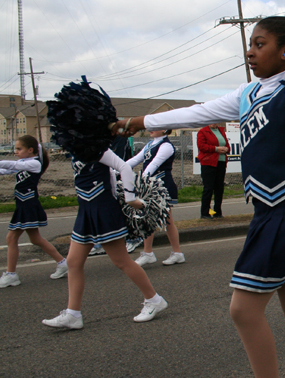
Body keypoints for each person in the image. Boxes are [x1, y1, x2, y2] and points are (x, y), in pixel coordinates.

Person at [117, 17, 285, 378]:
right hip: (273, 207)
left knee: (243, 309)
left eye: (260, 43)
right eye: (249, 43)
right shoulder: (247, 94)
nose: (250, 51)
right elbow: (197, 112)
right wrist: (137, 121)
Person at [42, 147, 168, 329]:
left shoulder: (98, 148)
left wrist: (130, 198)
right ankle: (73, 314)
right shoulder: (76, 148)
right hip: (85, 211)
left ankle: (154, 300)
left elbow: (124, 167)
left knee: (121, 261)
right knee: (73, 262)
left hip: (103, 211)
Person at [0, 136, 68, 288]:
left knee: (11, 238)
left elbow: (12, 164)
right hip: (23, 204)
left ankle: (11, 274)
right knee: (35, 239)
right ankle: (63, 263)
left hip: (28, 205)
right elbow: (6, 170)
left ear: (30, 150)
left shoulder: (34, 163)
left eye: (19, 149)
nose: (15, 152)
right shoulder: (24, 163)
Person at [127, 129, 185, 266]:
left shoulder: (166, 146)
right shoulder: (150, 144)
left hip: (162, 186)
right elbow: (135, 160)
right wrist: (116, 169)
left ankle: (174, 253)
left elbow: (154, 164)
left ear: (164, 129)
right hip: (151, 187)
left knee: (166, 220)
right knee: (149, 218)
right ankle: (151, 253)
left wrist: (141, 180)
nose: (150, 130)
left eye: (154, 127)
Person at [197, 122, 229, 219]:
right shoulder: (203, 131)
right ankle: (205, 212)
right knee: (208, 188)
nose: (213, 123)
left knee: (219, 188)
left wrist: (226, 149)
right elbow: (201, 146)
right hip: (208, 163)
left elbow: (227, 145)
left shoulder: (221, 131)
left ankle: (217, 212)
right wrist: (215, 149)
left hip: (221, 162)